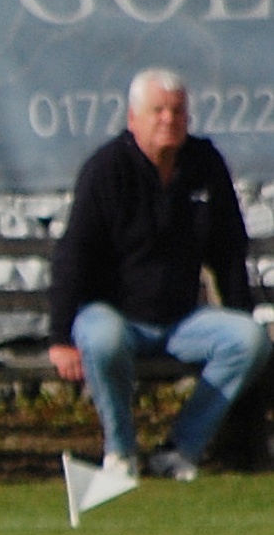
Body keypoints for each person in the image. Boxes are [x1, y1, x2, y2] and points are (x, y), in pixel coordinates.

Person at [48, 68, 271, 482]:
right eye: (158, 111)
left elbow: (228, 252)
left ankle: (179, 449)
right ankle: (120, 453)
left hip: (182, 319)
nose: (169, 119)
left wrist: (242, 313)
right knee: (102, 338)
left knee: (249, 340)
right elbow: (73, 255)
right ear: (134, 118)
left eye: (177, 111)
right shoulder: (106, 169)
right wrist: (61, 338)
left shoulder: (205, 164)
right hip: (113, 315)